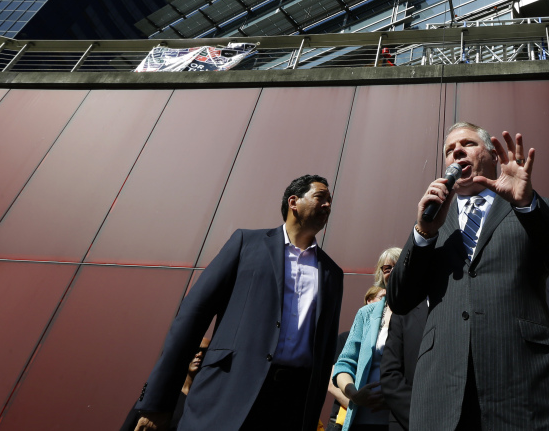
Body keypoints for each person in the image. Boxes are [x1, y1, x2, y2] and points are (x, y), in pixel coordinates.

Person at [387, 122, 549, 430]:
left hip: (525, 386)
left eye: (468, 144)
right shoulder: (432, 220)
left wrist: (526, 204)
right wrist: (423, 234)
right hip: (444, 394)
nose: (456, 151)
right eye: (449, 150)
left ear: (494, 156)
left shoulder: (529, 206)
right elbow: (400, 300)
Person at [135, 175, 344, 431]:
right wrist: (157, 401)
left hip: (290, 407)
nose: (327, 206)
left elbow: (324, 352)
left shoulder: (332, 273)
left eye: (330, 201)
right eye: (320, 198)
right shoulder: (247, 244)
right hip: (227, 394)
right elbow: (191, 317)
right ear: (294, 202)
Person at [333, 247, 402, 431]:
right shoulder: (366, 313)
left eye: (399, 266)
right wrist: (353, 394)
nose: (393, 272)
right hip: (361, 418)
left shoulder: (420, 311)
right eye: (387, 268)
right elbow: (344, 364)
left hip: (400, 418)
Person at [122, 339, 211, 431]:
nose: (199, 354)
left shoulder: (204, 402)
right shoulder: (162, 394)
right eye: (196, 350)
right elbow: (129, 424)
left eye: (204, 352)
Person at [380, 299, 428, 431]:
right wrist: (423, 418)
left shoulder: (459, 310)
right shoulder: (403, 313)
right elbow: (389, 373)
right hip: (408, 421)